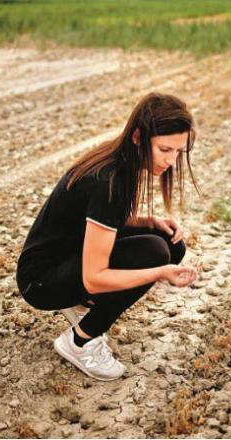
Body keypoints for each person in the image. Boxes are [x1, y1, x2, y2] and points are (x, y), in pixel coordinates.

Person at [16, 92, 200, 381]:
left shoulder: (119, 159)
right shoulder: (109, 180)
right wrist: (161, 272)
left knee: (169, 243)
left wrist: (146, 221)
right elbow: (95, 277)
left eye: (178, 152)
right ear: (139, 137)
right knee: (155, 253)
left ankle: (84, 306)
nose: (172, 161)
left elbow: (95, 220)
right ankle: (80, 340)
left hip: (67, 255)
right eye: (165, 149)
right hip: (41, 281)